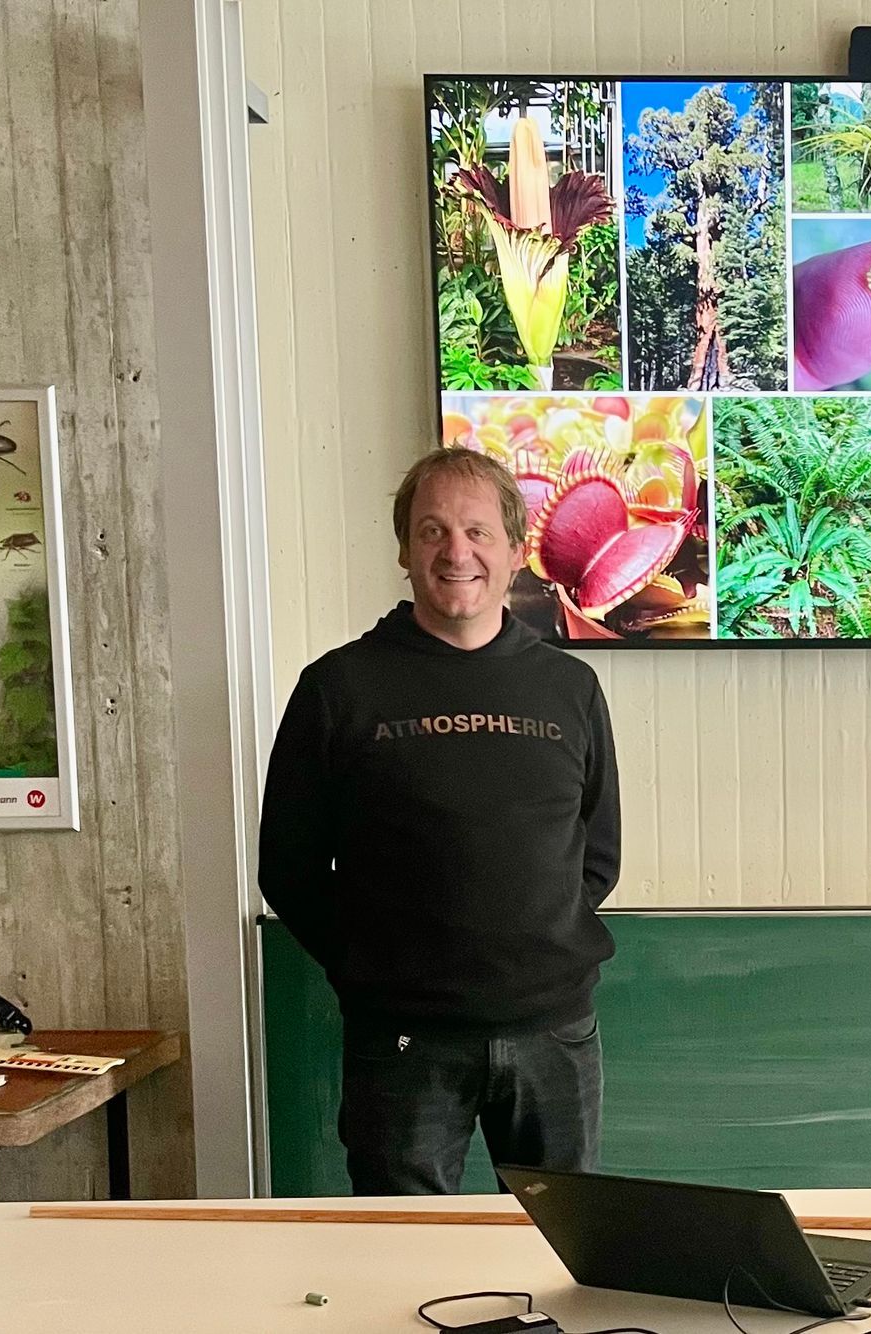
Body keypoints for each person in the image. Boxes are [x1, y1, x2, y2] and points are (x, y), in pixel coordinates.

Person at [259, 447, 621, 1195]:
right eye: (432, 532)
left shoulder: (570, 688)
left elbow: (596, 853)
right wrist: (376, 966)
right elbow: (288, 868)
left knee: (564, 1257)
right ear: (404, 549)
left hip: (553, 1030)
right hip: (403, 1041)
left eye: (478, 532)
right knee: (403, 1269)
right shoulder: (339, 689)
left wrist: (531, 943)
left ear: (516, 552)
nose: (457, 552)